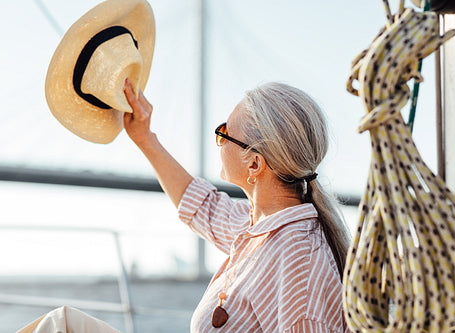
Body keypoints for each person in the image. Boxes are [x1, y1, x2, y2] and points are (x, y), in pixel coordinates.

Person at [123, 79, 351, 332]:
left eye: (224, 133)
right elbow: (203, 206)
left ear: (254, 164)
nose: (219, 142)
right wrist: (145, 138)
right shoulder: (258, 228)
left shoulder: (300, 260)